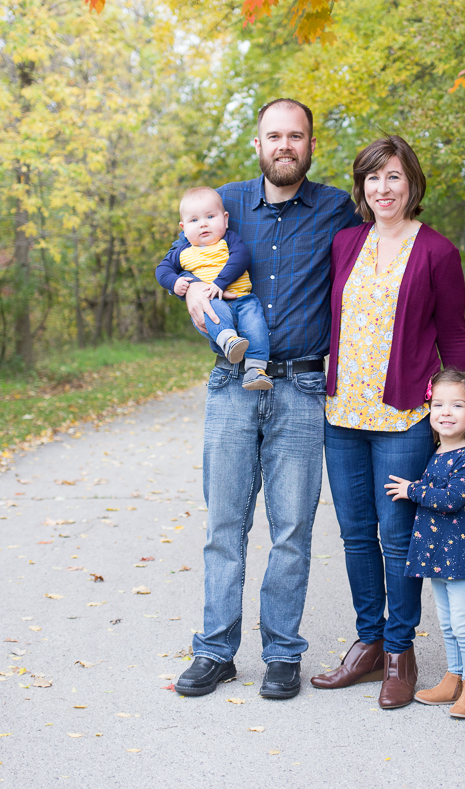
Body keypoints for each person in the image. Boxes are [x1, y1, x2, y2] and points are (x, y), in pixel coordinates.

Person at [163, 99, 360, 701]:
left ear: (309, 144)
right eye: (273, 135)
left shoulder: (336, 208)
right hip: (230, 388)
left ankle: (281, 655)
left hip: (301, 387)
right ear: (258, 144)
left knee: (292, 530)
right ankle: (216, 652)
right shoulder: (224, 202)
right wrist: (184, 287)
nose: (284, 145)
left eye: (295, 136)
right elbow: (178, 259)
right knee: (225, 524)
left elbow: (377, 273)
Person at [310, 135, 465, 710]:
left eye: (395, 178)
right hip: (342, 413)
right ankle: (370, 643)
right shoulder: (345, 243)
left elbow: (453, 332)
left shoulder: (437, 252)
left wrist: (461, 409)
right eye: (373, 178)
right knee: (357, 536)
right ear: (362, 186)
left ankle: (402, 652)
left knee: (398, 537)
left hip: (406, 414)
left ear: (413, 185)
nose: (383, 189)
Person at [385, 368, 465, 720]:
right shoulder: (435, 452)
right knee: (447, 624)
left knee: (464, 623)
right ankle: (454, 677)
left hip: (460, 556)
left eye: (458, 405)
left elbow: (453, 498)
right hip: (437, 555)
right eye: (439, 405)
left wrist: (412, 490)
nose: (446, 412)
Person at [156, 186, 273, 391]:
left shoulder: (229, 241)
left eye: (210, 216)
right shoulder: (182, 252)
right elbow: (162, 270)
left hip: (243, 299)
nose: (203, 224)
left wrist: (220, 282)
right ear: (183, 228)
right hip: (211, 300)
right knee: (214, 312)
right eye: (194, 220)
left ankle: (256, 369)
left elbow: (241, 258)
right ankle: (228, 341)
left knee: (256, 325)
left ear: (225, 219)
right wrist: (175, 283)